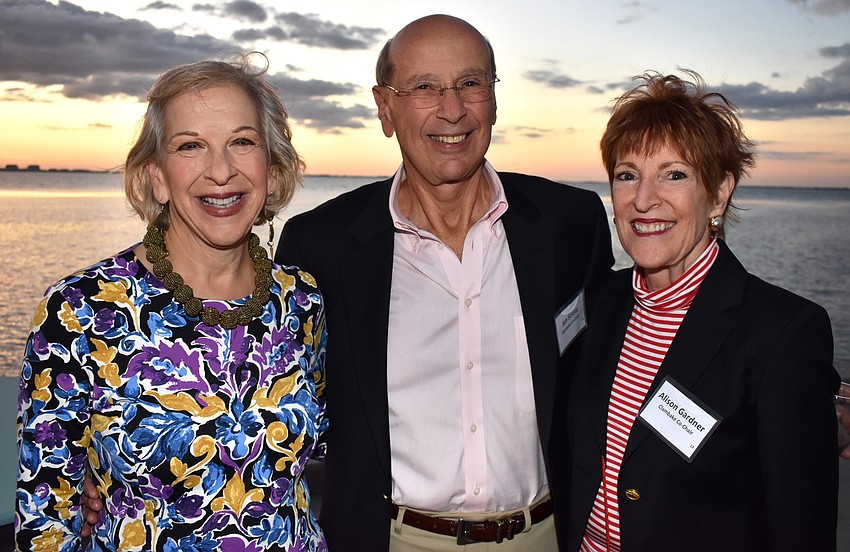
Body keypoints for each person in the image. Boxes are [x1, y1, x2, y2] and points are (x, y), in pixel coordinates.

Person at [276, 14, 613, 551]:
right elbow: (275, 401)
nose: (452, 108)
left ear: (494, 100)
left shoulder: (569, 224)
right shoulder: (320, 247)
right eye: (424, 87)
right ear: (385, 108)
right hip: (394, 539)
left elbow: (614, 373)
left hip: (548, 535)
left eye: (471, 84)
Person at [15, 55, 328, 551]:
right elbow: (45, 522)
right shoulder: (81, 310)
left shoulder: (302, 302)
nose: (221, 171)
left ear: (271, 167)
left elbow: (324, 443)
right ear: (157, 176)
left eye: (242, 142)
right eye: (190, 147)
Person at [556, 71, 839, 551]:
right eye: (627, 175)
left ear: (720, 191)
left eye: (674, 174)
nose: (644, 200)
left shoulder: (782, 332)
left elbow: (800, 528)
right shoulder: (597, 303)